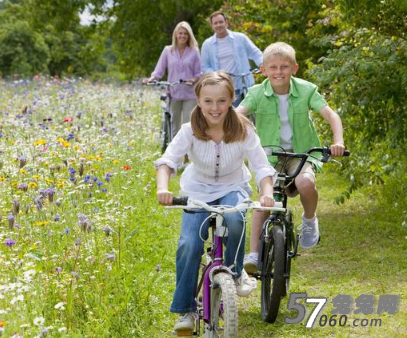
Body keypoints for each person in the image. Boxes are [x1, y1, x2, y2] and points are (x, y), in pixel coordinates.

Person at [155, 71, 277, 333]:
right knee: (189, 243)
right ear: (198, 101)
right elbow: (167, 161)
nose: (215, 107)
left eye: (221, 101)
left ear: (232, 99)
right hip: (198, 191)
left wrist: (266, 192)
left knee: (235, 218)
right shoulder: (190, 131)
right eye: (208, 101)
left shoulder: (243, 129)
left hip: (232, 187)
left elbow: (261, 167)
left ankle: (234, 272)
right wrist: (163, 188)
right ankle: (185, 308)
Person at [236, 42, 345, 274]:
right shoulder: (256, 93)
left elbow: (331, 115)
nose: (278, 72)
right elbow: (238, 114)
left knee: (305, 182)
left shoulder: (306, 90)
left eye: (284, 66)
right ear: (263, 70)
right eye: (272, 67)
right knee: (265, 198)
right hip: (269, 155)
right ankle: (253, 253)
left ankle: (309, 220)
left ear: (294, 68)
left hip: (302, 153)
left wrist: (338, 142)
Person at [145, 21, 201, 137]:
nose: (183, 36)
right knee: (174, 125)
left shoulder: (194, 51)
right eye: (180, 33)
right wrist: (152, 79)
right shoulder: (167, 50)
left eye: (185, 33)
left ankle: (188, 154)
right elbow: (159, 70)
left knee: (188, 125)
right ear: (176, 34)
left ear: (189, 35)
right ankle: (175, 153)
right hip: (173, 93)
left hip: (189, 94)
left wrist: (193, 79)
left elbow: (199, 73)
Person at [201, 11, 262, 107]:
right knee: (231, 116)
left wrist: (264, 65)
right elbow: (205, 67)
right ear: (212, 26)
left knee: (253, 113)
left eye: (221, 22)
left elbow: (256, 53)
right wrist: (217, 75)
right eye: (215, 23)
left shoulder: (240, 38)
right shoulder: (207, 44)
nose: (218, 25)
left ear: (226, 22)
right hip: (223, 87)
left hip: (245, 84)